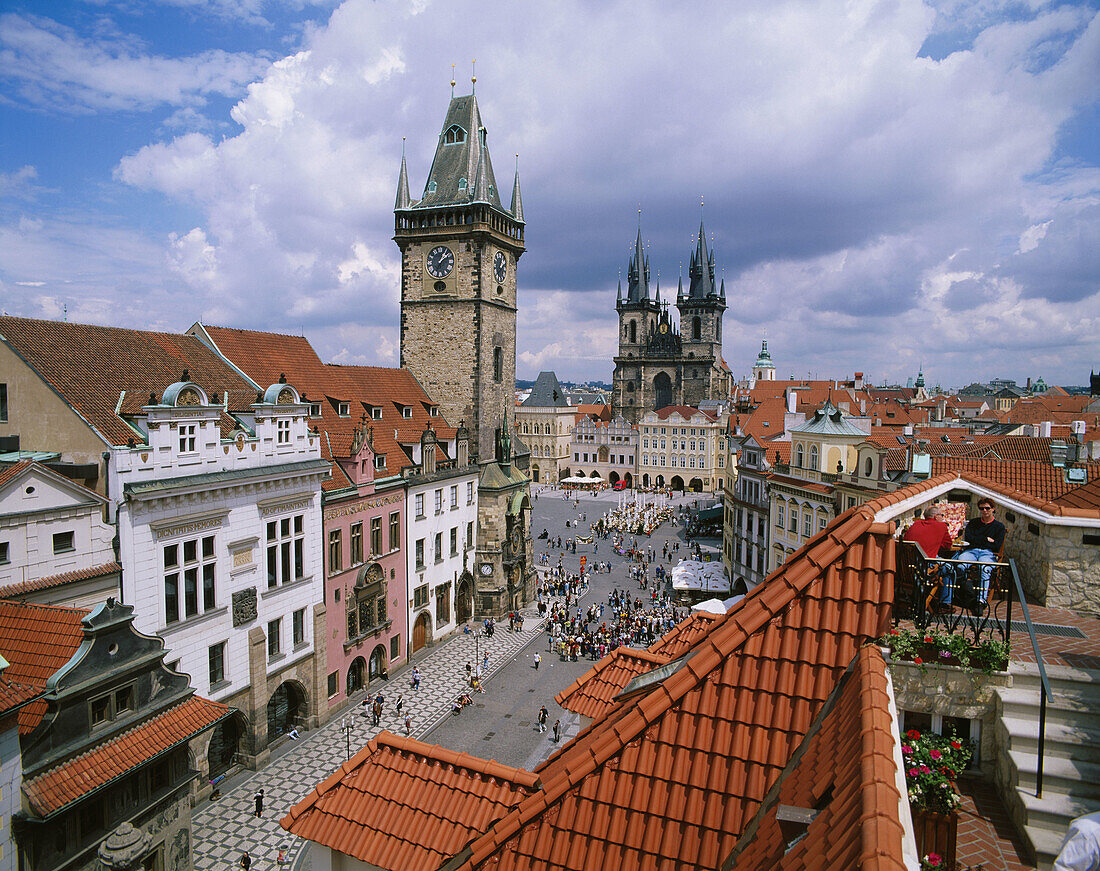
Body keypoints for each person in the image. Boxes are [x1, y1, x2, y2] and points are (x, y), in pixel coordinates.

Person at [948, 499, 1006, 614]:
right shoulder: (974, 523)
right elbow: (968, 539)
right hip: (972, 551)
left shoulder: (999, 527)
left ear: (993, 509)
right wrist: (986, 539)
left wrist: (978, 539)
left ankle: (981, 600)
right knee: (960, 565)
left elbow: (996, 545)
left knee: (985, 569)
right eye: (982, 508)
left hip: (988, 553)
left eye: (987, 508)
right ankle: (963, 595)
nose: (984, 511)